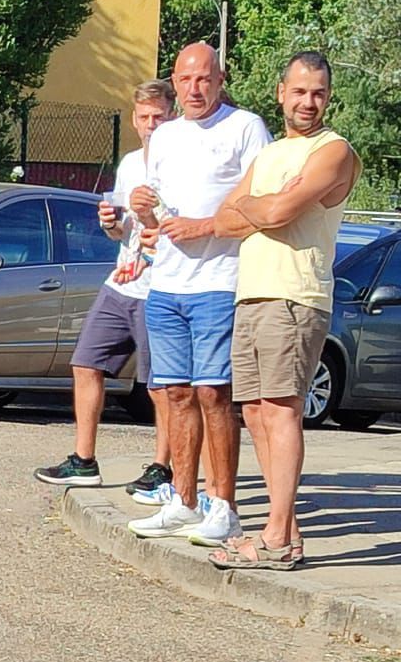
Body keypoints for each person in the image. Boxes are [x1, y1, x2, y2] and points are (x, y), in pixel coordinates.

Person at [206, 51, 361, 571]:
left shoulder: (333, 151)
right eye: (299, 91)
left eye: (317, 92)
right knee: (254, 411)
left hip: (295, 296)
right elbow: (225, 220)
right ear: (280, 93)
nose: (308, 102)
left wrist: (261, 206)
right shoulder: (272, 154)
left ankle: (274, 536)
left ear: (328, 96)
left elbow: (274, 212)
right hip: (252, 293)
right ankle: (284, 531)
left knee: (282, 408)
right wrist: (262, 206)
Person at [126, 42, 270, 546]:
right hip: (166, 283)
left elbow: (260, 206)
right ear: (174, 79)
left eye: (204, 79)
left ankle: (223, 505)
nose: (194, 89)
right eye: (186, 80)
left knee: (214, 394)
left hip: (219, 282)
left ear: (220, 78)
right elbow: (158, 215)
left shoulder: (245, 127)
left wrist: (206, 227)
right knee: (175, 394)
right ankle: (183, 500)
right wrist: (142, 209)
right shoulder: (164, 136)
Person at [35, 80, 176, 491]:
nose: (151, 125)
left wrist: (150, 218)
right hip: (123, 280)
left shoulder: (182, 164)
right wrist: (112, 224)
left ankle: (162, 468)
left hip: (161, 287)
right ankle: (84, 460)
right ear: (134, 119)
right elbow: (123, 233)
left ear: (172, 117)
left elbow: (182, 228)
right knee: (85, 362)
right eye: (145, 117)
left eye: (159, 117)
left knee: (161, 385)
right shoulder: (131, 163)